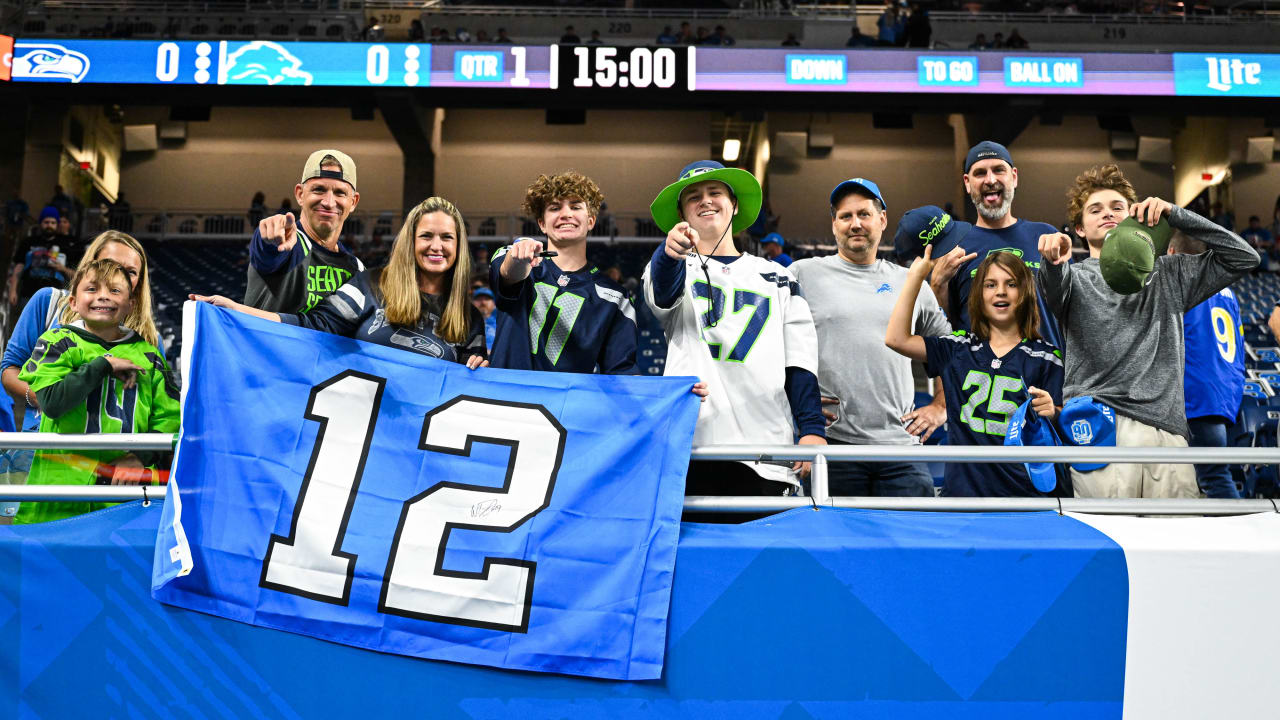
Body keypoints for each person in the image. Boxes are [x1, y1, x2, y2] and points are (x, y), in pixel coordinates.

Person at [1037, 164, 1258, 498]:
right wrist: (1053, 260)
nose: (1107, 214)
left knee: (1172, 547)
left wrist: (1176, 214)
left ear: (1133, 216)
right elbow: (1053, 287)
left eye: (1117, 207)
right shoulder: (1074, 277)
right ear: (1079, 228)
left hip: (1165, 431)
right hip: (1099, 429)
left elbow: (1244, 257)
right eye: (1094, 209)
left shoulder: (1169, 273)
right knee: (1111, 542)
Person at [644, 160, 824, 496]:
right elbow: (664, 293)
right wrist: (670, 254)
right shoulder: (671, 264)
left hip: (765, 447)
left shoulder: (780, 277)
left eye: (715, 192)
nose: (706, 200)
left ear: (735, 205)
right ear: (682, 213)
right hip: (690, 443)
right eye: (693, 196)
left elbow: (799, 361)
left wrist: (812, 427)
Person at [791, 179, 948, 498]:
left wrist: (940, 406)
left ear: (882, 219)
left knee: (909, 543)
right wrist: (795, 403)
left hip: (901, 448)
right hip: (833, 446)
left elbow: (949, 350)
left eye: (864, 214)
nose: (855, 224)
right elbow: (771, 347)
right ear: (834, 224)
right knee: (834, 545)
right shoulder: (802, 274)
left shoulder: (910, 281)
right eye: (845, 216)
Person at [195, 197, 487, 367]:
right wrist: (234, 309)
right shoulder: (371, 285)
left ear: (459, 246)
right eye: (426, 236)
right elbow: (312, 327)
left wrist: (479, 368)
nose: (436, 246)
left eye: (447, 237)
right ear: (410, 242)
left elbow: (471, 382)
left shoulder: (469, 317)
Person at [887, 249, 1065, 497]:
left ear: (1024, 293)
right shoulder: (958, 348)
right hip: (963, 498)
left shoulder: (1047, 358)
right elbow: (896, 339)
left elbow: (1061, 423)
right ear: (979, 295)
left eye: (1011, 284)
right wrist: (915, 279)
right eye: (990, 285)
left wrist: (1053, 413)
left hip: (1024, 499)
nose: (1000, 291)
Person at [15, 258, 180, 524]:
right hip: (58, 493)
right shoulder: (57, 343)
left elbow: (170, 421)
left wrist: (140, 458)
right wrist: (103, 365)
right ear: (73, 303)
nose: (103, 296)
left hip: (125, 497)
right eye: (92, 289)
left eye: (115, 291)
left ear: (131, 305)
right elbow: (53, 402)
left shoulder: (150, 357)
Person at [3, 230, 158, 431]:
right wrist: (44, 397)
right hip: (44, 446)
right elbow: (9, 369)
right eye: (108, 265)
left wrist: (139, 457)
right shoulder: (48, 302)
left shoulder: (148, 337)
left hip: (115, 455)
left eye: (130, 272)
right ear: (89, 266)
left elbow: (157, 408)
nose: (117, 275)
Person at [489, 171, 638, 374]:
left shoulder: (615, 296)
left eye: (576, 207)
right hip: (509, 401)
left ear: (591, 221)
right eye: (555, 207)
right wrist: (518, 259)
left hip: (567, 405)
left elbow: (622, 373)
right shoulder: (514, 257)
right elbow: (508, 276)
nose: (566, 214)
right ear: (542, 223)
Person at [928, 141, 1063, 350]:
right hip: (978, 378)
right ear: (967, 182)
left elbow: (1074, 313)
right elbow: (942, 330)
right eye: (980, 173)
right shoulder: (953, 247)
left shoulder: (1047, 237)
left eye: (999, 170)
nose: (990, 180)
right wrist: (937, 285)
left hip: (1046, 377)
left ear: (1014, 177)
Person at [1170, 232, 1245, 499]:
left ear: (1170, 253)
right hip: (1227, 390)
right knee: (1211, 476)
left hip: (1198, 392)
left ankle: (1242, 538)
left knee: (1214, 478)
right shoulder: (1228, 291)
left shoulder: (1184, 284)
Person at [245, 149, 363, 314]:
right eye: (319, 190)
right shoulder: (288, 243)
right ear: (300, 194)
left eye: (339, 193)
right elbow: (269, 250)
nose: (329, 202)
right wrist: (267, 237)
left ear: (353, 202)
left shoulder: (356, 270)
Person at [9, 206, 80, 313]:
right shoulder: (28, 242)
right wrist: (13, 290)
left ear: (57, 224)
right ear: (40, 223)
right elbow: (19, 266)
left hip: (57, 298)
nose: (49, 225)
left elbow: (78, 275)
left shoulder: (67, 245)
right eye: (46, 222)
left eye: (53, 222)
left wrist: (62, 269)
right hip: (29, 294)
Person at [472, 286, 497, 350]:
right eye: (479, 299)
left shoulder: (502, 325)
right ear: (472, 303)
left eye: (487, 299)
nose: (483, 302)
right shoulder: (465, 324)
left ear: (494, 304)